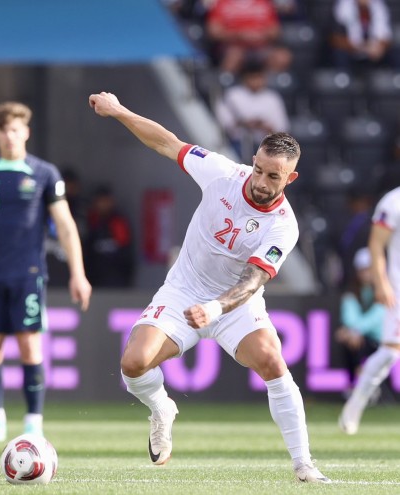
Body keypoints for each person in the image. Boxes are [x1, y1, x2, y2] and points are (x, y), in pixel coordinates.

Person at [88, 91, 330, 483]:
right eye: (260, 170)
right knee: (133, 364)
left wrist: (217, 309)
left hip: (235, 304)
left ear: (291, 177)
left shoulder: (284, 226)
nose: (264, 182)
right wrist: (119, 110)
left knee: (271, 359)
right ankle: (161, 407)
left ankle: (304, 463)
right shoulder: (221, 172)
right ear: (252, 160)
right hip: (182, 291)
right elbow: (166, 141)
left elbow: (254, 280)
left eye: (275, 177)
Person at [0, 101, 92, 442]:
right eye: (5, 130)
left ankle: (33, 421)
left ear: (26, 132)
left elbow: (65, 225)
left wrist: (78, 273)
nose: (11, 136)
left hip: (28, 274)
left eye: (17, 129)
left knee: (31, 347)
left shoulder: (44, 173)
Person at [339, 187, 400, 435]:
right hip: (398, 288)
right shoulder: (393, 201)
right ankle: (357, 401)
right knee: (389, 354)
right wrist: (382, 282)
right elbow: (376, 245)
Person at [214, 58, 290, 163]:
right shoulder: (233, 95)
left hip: (265, 145)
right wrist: (245, 124)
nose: (256, 81)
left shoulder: (273, 98)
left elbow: (282, 127)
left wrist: (264, 126)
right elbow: (224, 122)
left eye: (259, 77)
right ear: (245, 78)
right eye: (252, 77)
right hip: (237, 143)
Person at [334, 247, 385, 397]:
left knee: (353, 339)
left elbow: (377, 318)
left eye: (370, 269)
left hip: (380, 341)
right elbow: (349, 317)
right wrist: (354, 332)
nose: (367, 274)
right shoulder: (351, 293)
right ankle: (358, 385)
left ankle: (363, 384)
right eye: (364, 270)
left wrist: (353, 331)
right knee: (352, 343)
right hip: (360, 341)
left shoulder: (386, 290)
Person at [205, 0, 293, 76]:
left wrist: (260, 35)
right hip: (233, 46)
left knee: (282, 57)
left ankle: (269, 90)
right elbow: (214, 32)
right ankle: (229, 89)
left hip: (261, 46)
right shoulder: (221, 3)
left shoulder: (263, 3)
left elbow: (275, 31)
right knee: (234, 56)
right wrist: (238, 35)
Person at [84, 185, 135, 288]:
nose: (103, 205)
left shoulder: (118, 223)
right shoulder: (91, 223)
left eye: (106, 201)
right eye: (100, 201)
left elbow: (126, 253)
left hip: (116, 279)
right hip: (94, 280)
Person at [329, 0, 395, 73]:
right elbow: (335, 38)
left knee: (395, 52)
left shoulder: (379, 6)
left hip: (372, 52)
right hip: (351, 51)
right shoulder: (343, 7)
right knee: (340, 54)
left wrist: (380, 47)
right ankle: (342, 79)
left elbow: (386, 36)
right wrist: (357, 47)